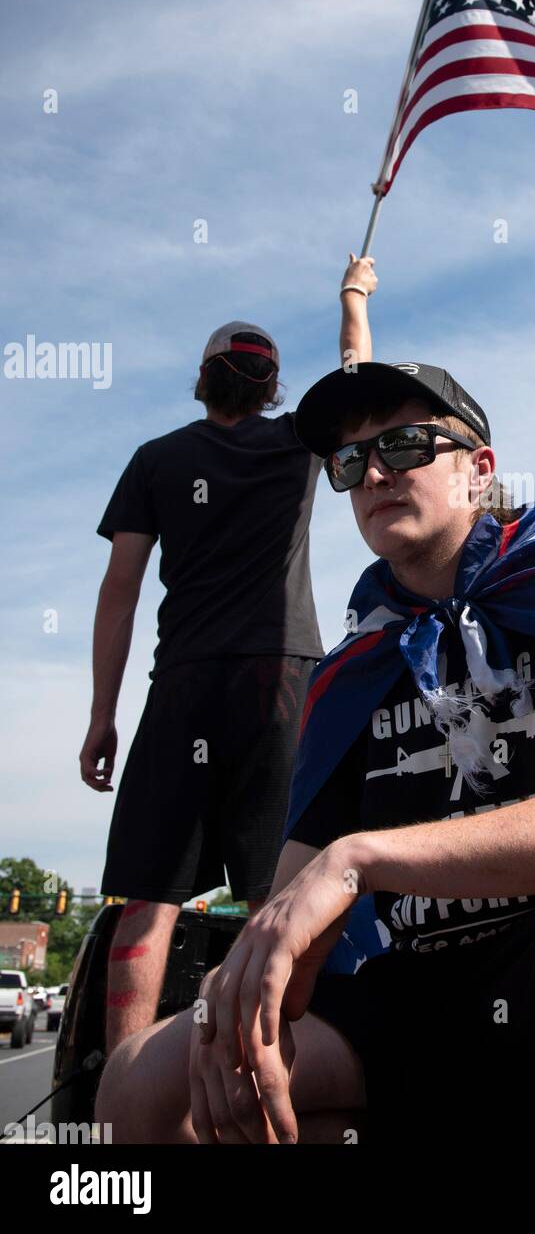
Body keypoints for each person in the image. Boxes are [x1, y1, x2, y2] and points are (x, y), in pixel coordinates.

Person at [96, 361, 535, 1144]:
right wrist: (245, 986)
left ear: (478, 469)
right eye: (349, 462)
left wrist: (366, 858)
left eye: (407, 445)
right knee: (144, 1080)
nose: (374, 473)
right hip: (405, 999)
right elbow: (293, 895)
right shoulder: (357, 660)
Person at [81, 254, 377, 1055]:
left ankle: (120, 1107)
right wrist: (354, 296)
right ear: (273, 387)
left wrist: (103, 715)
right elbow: (357, 377)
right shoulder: (294, 447)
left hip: (184, 680)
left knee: (149, 896)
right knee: (274, 895)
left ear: (203, 381)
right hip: (283, 678)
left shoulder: (156, 459)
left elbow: (120, 591)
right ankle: (263, 1083)